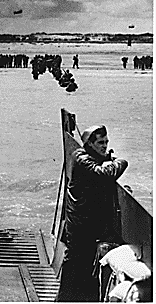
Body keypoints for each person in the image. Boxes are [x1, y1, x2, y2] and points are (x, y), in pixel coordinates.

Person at [56, 125, 128, 302]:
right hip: (80, 227)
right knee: (74, 268)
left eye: (106, 142)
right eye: (100, 143)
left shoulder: (87, 157)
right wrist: (120, 162)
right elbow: (104, 174)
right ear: (90, 144)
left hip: (85, 224)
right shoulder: (82, 159)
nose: (104, 146)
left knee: (84, 269)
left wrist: (106, 158)